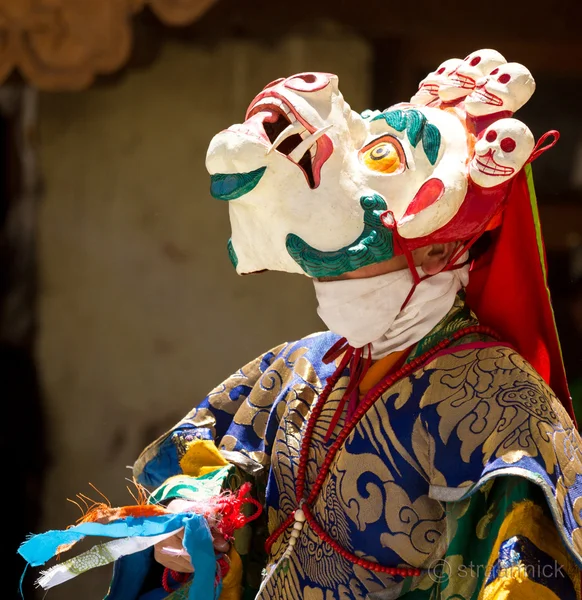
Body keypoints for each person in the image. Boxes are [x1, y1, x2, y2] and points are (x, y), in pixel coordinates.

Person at [20, 50, 582, 600]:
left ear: (437, 251)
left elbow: (525, 578)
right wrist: (205, 521)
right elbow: (226, 471)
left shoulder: (505, 406)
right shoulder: (299, 366)